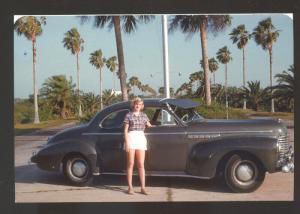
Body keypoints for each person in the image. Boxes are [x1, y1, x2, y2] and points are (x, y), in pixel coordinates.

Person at [123, 97, 152, 195]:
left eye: (139, 104)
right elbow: (125, 130)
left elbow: (150, 126)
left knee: (140, 164)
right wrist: (126, 143)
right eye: (136, 104)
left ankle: (143, 187)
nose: (137, 106)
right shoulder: (128, 115)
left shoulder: (144, 116)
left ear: (142, 106)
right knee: (130, 163)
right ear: (133, 105)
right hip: (131, 138)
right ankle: (130, 187)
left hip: (140, 138)